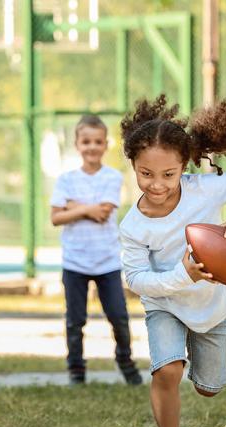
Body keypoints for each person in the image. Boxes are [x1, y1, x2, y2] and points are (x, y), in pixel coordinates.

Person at [119, 94, 226, 427]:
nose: (156, 184)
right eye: (145, 173)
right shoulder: (133, 226)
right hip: (165, 304)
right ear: (133, 166)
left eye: (168, 174)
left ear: (183, 165)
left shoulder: (204, 188)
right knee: (167, 370)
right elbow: (137, 279)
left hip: (209, 307)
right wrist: (181, 275)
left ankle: (199, 367)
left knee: (209, 387)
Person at [50, 114, 142, 386]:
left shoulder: (113, 177)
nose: (92, 147)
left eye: (97, 142)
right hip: (74, 262)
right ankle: (76, 371)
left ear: (106, 144)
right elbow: (55, 217)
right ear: (77, 144)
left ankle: (126, 363)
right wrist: (84, 208)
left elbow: (103, 213)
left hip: (107, 262)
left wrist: (73, 207)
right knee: (75, 321)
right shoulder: (66, 179)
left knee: (119, 317)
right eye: (86, 141)